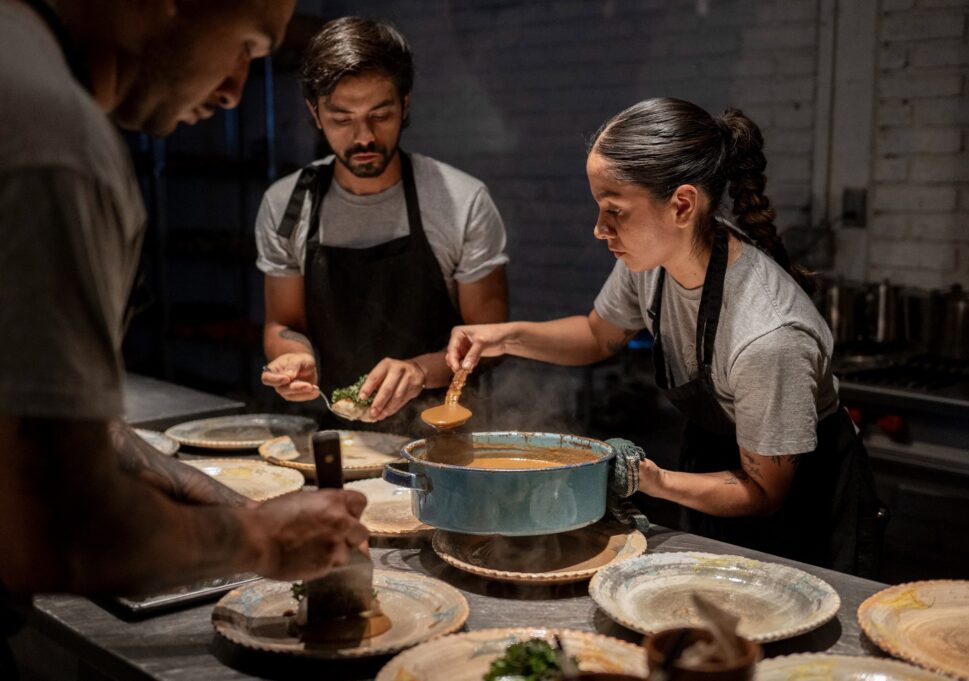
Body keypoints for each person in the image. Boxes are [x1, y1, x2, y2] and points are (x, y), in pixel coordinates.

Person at [0, 0, 371, 670]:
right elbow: (67, 525)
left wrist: (223, 499)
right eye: (247, 46)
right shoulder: (54, 139)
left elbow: (55, 424)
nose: (234, 90)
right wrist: (257, 538)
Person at [446, 98, 884, 576]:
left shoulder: (769, 336)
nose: (599, 229)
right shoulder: (652, 263)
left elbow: (763, 493)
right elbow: (598, 335)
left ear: (682, 205)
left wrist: (651, 480)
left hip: (801, 514)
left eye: (614, 210)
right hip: (717, 473)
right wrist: (502, 338)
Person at [256, 17, 509, 432]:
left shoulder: (461, 201)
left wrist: (418, 371)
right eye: (341, 119)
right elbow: (283, 323)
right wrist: (292, 356)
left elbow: (492, 340)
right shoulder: (286, 204)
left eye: (381, 114)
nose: (364, 137)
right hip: (332, 431)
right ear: (314, 114)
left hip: (443, 436)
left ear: (405, 105)